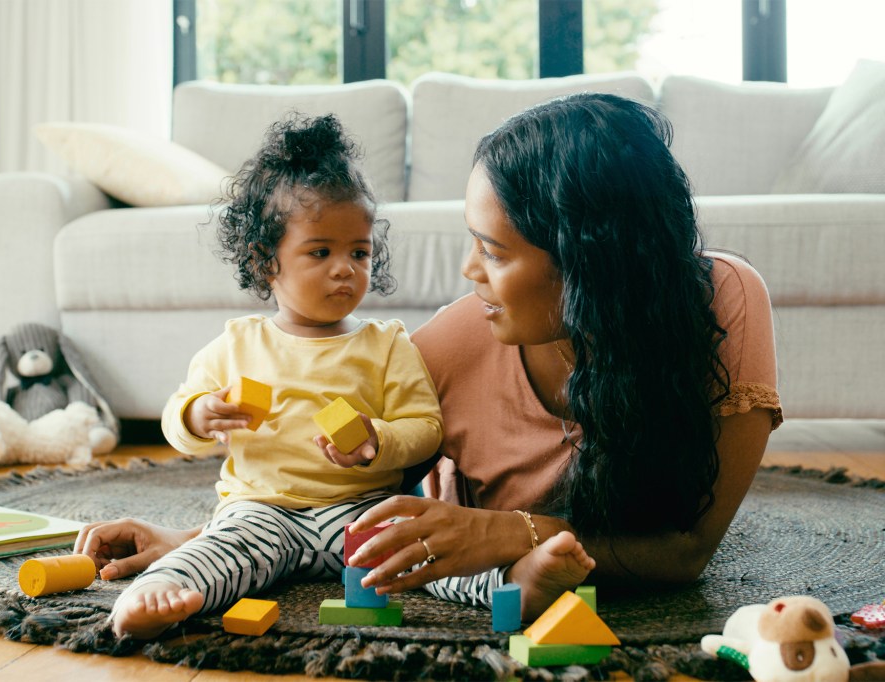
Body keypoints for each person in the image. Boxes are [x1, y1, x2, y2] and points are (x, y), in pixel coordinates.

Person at [78, 92, 781, 628]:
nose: (468, 271)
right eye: (471, 239)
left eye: (496, 251)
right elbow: (331, 501)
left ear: (589, 264)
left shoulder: (721, 303)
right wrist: (194, 538)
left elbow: (686, 551)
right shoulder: (451, 346)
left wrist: (508, 531)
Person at [77, 112, 446, 639]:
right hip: (262, 509)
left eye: (359, 252)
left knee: (431, 542)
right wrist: (198, 414)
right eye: (321, 252)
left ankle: (510, 578)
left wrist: (378, 439)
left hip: (361, 509)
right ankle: (152, 592)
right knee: (220, 551)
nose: (345, 268)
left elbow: (426, 426)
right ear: (266, 260)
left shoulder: (386, 343)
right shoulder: (238, 343)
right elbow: (175, 418)